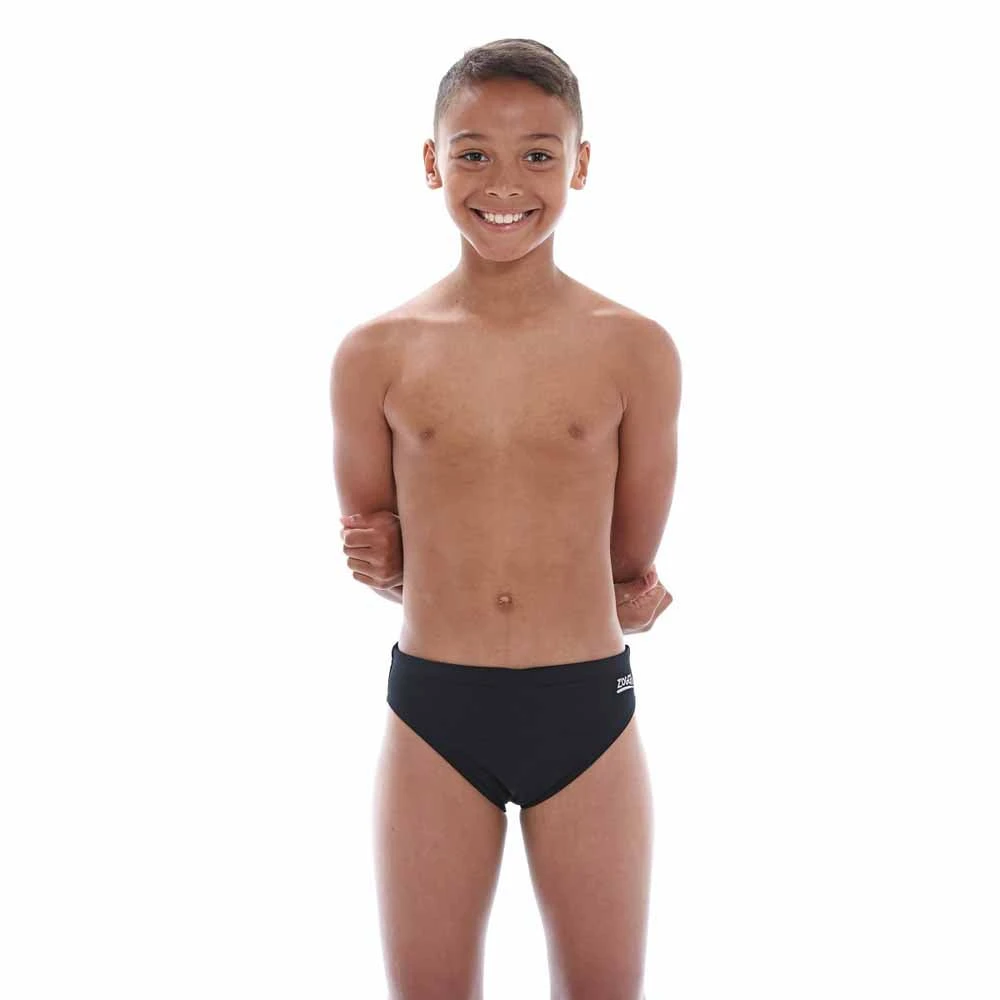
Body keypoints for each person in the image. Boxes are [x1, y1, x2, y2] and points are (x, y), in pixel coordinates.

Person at [330, 38, 682, 1000]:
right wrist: (389, 562)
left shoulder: (636, 350)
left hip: (586, 711)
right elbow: (377, 553)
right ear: (432, 161)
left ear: (580, 163)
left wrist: (635, 599)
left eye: (538, 154)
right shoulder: (375, 353)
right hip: (434, 713)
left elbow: (628, 567)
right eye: (474, 152)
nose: (505, 183)